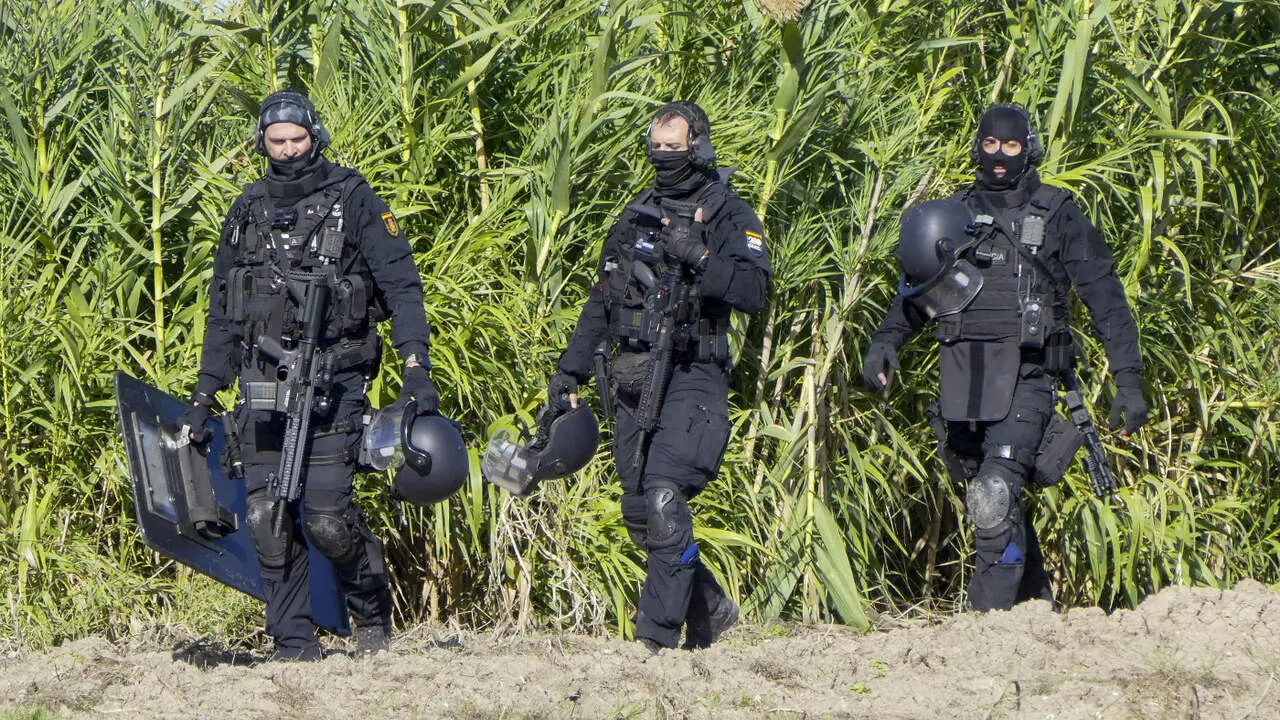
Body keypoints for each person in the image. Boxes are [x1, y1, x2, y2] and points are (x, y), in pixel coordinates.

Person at [179, 90, 440, 660]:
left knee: (326, 519)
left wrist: (416, 365)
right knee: (267, 516)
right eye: (278, 142)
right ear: (263, 145)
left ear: (315, 135)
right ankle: (293, 644)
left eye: (298, 139)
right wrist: (205, 392)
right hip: (263, 383)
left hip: (335, 380)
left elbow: (401, 286)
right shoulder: (247, 210)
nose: (290, 150)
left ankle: (371, 617)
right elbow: (224, 313)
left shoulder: (354, 197)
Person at [862, 103, 1150, 612]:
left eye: (1011, 146)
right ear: (978, 146)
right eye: (991, 145)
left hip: (1029, 376)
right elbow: (915, 294)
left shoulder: (1058, 212)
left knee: (994, 495)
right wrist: (886, 343)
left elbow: (1107, 300)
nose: (999, 157)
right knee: (998, 503)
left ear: (1029, 148)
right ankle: (1036, 614)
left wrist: (1129, 381)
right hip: (965, 379)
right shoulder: (952, 215)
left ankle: (985, 627)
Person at [548, 101, 771, 650]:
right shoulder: (636, 214)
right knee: (640, 514)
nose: (665, 157)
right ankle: (713, 609)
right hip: (633, 371)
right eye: (658, 147)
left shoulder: (727, 212)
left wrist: (698, 256)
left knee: (665, 496)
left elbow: (755, 291)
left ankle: (655, 639)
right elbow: (601, 300)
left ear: (699, 145)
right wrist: (569, 370)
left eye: (676, 147)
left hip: (694, 371)